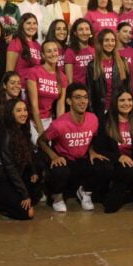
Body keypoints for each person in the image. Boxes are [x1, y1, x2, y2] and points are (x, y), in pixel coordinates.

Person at [37, 83, 111, 213]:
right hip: (65, 159)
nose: (82, 101)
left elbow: (92, 138)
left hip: (81, 159)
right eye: (77, 97)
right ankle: (57, 197)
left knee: (105, 165)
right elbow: (41, 141)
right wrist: (54, 156)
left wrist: (92, 151)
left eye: (85, 97)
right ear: (69, 101)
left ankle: (85, 192)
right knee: (60, 170)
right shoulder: (59, 124)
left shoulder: (93, 119)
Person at [0, 99, 42, 220]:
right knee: (28, 213)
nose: (23, 113)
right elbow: (9, 167)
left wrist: (33, 171)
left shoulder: (22, 129)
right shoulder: (5, 134)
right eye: (18, 110)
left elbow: (28, 153)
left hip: (12, 178)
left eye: (25, 110)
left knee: (36, 183)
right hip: (0, 180)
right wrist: (24, 194)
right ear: (10, 113)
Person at [27, 41, 67, 138]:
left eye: (55, 50)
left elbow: (60, 106)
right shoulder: (34, 72)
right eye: (49, 51)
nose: (53, 54)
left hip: (48, 120)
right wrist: (41, 131)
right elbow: (33, 105)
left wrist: (59, 127)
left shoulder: (62, 77)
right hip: (31, 120)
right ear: (43, 55)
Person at [86, 29, 130, 115]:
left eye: (112, 40)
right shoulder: (92, 65)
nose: (110, 43)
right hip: (100, 110)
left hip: (119, 109)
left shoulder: (122, 62)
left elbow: (127, 88)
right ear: (100, 43)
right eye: (106, 40)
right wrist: (91, 112)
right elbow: (89, 91)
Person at [5, 13, 42, 82]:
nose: (32, 26)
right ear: (22, 25)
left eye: (34, 23)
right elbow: (9, 71)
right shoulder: (16, 42)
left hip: (35, 87)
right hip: (20, 87)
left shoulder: (38, 45)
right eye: (28, 23)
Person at [64, 18, 94, 85]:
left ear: (90, 32)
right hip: (78, 91)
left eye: (87, 29)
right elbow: (69, 80)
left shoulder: (94, 50)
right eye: (81, 30)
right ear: (75, 33)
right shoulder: (70, 52)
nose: (84, 32)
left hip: (93, 91)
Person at [116, 22, 133, 86]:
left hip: (130, 93)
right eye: (125, 31)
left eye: (130, 33)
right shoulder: (110, 52)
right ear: (117, 32)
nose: (128, 35)